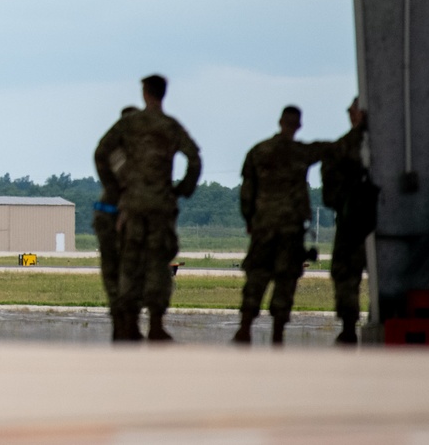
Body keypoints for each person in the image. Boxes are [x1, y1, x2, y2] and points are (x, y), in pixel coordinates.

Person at [233, 103, 364, 346]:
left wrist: (250, 220)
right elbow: (333, 148)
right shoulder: (301, 153)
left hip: (263, 228)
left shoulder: (258, 152)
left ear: (280, 122)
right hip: (291, 230)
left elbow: (246, 193)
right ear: (299, 126)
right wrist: (360, 127)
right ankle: (277, 334)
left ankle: (244, 328)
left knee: (257, 277)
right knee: (286, 279)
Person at [94, 75, 201, 342]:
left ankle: (129, 323)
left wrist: (117, 189)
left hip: (133, 205)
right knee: (159, 263)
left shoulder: (129, 124)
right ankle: (155, 323)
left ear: (145, 93)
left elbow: (101, 153)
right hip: (161, 205)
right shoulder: (170, 126)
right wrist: (181, 190)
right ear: (164, 93)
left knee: (129, 262)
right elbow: (194, 159)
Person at [321, 97, 376, 345]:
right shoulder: (394, 145)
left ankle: (349, 328)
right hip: (371, 219)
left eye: (352, 111)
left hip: (353, 222)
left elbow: (329, 193)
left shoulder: (344, 147)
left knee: (345, 273)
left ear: (359, 114)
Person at [93, 105, 139, 326]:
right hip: (117, 214)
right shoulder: (126, 153)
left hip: (125, 213)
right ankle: (124, 316)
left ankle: (123, 316)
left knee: (123, 268)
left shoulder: (119, 151)